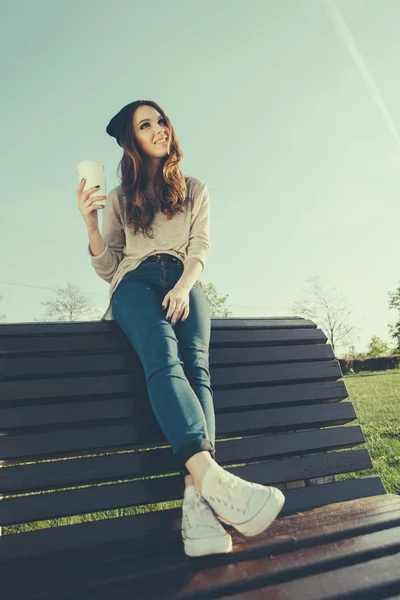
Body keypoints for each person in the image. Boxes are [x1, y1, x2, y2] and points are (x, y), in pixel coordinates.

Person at [76, 99, 285, 558]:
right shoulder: (117, 199)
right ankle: (214, 479)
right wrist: (90, 224)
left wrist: (186, 286)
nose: (159, 129)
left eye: (161, 120)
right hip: (135, 282)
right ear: (133, 141)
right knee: (161, 352)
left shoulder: (194, 188)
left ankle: (199, 506)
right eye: (146, 125)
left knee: (197, 370)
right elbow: (110, 265)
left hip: (184, 280)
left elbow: (200, 246)